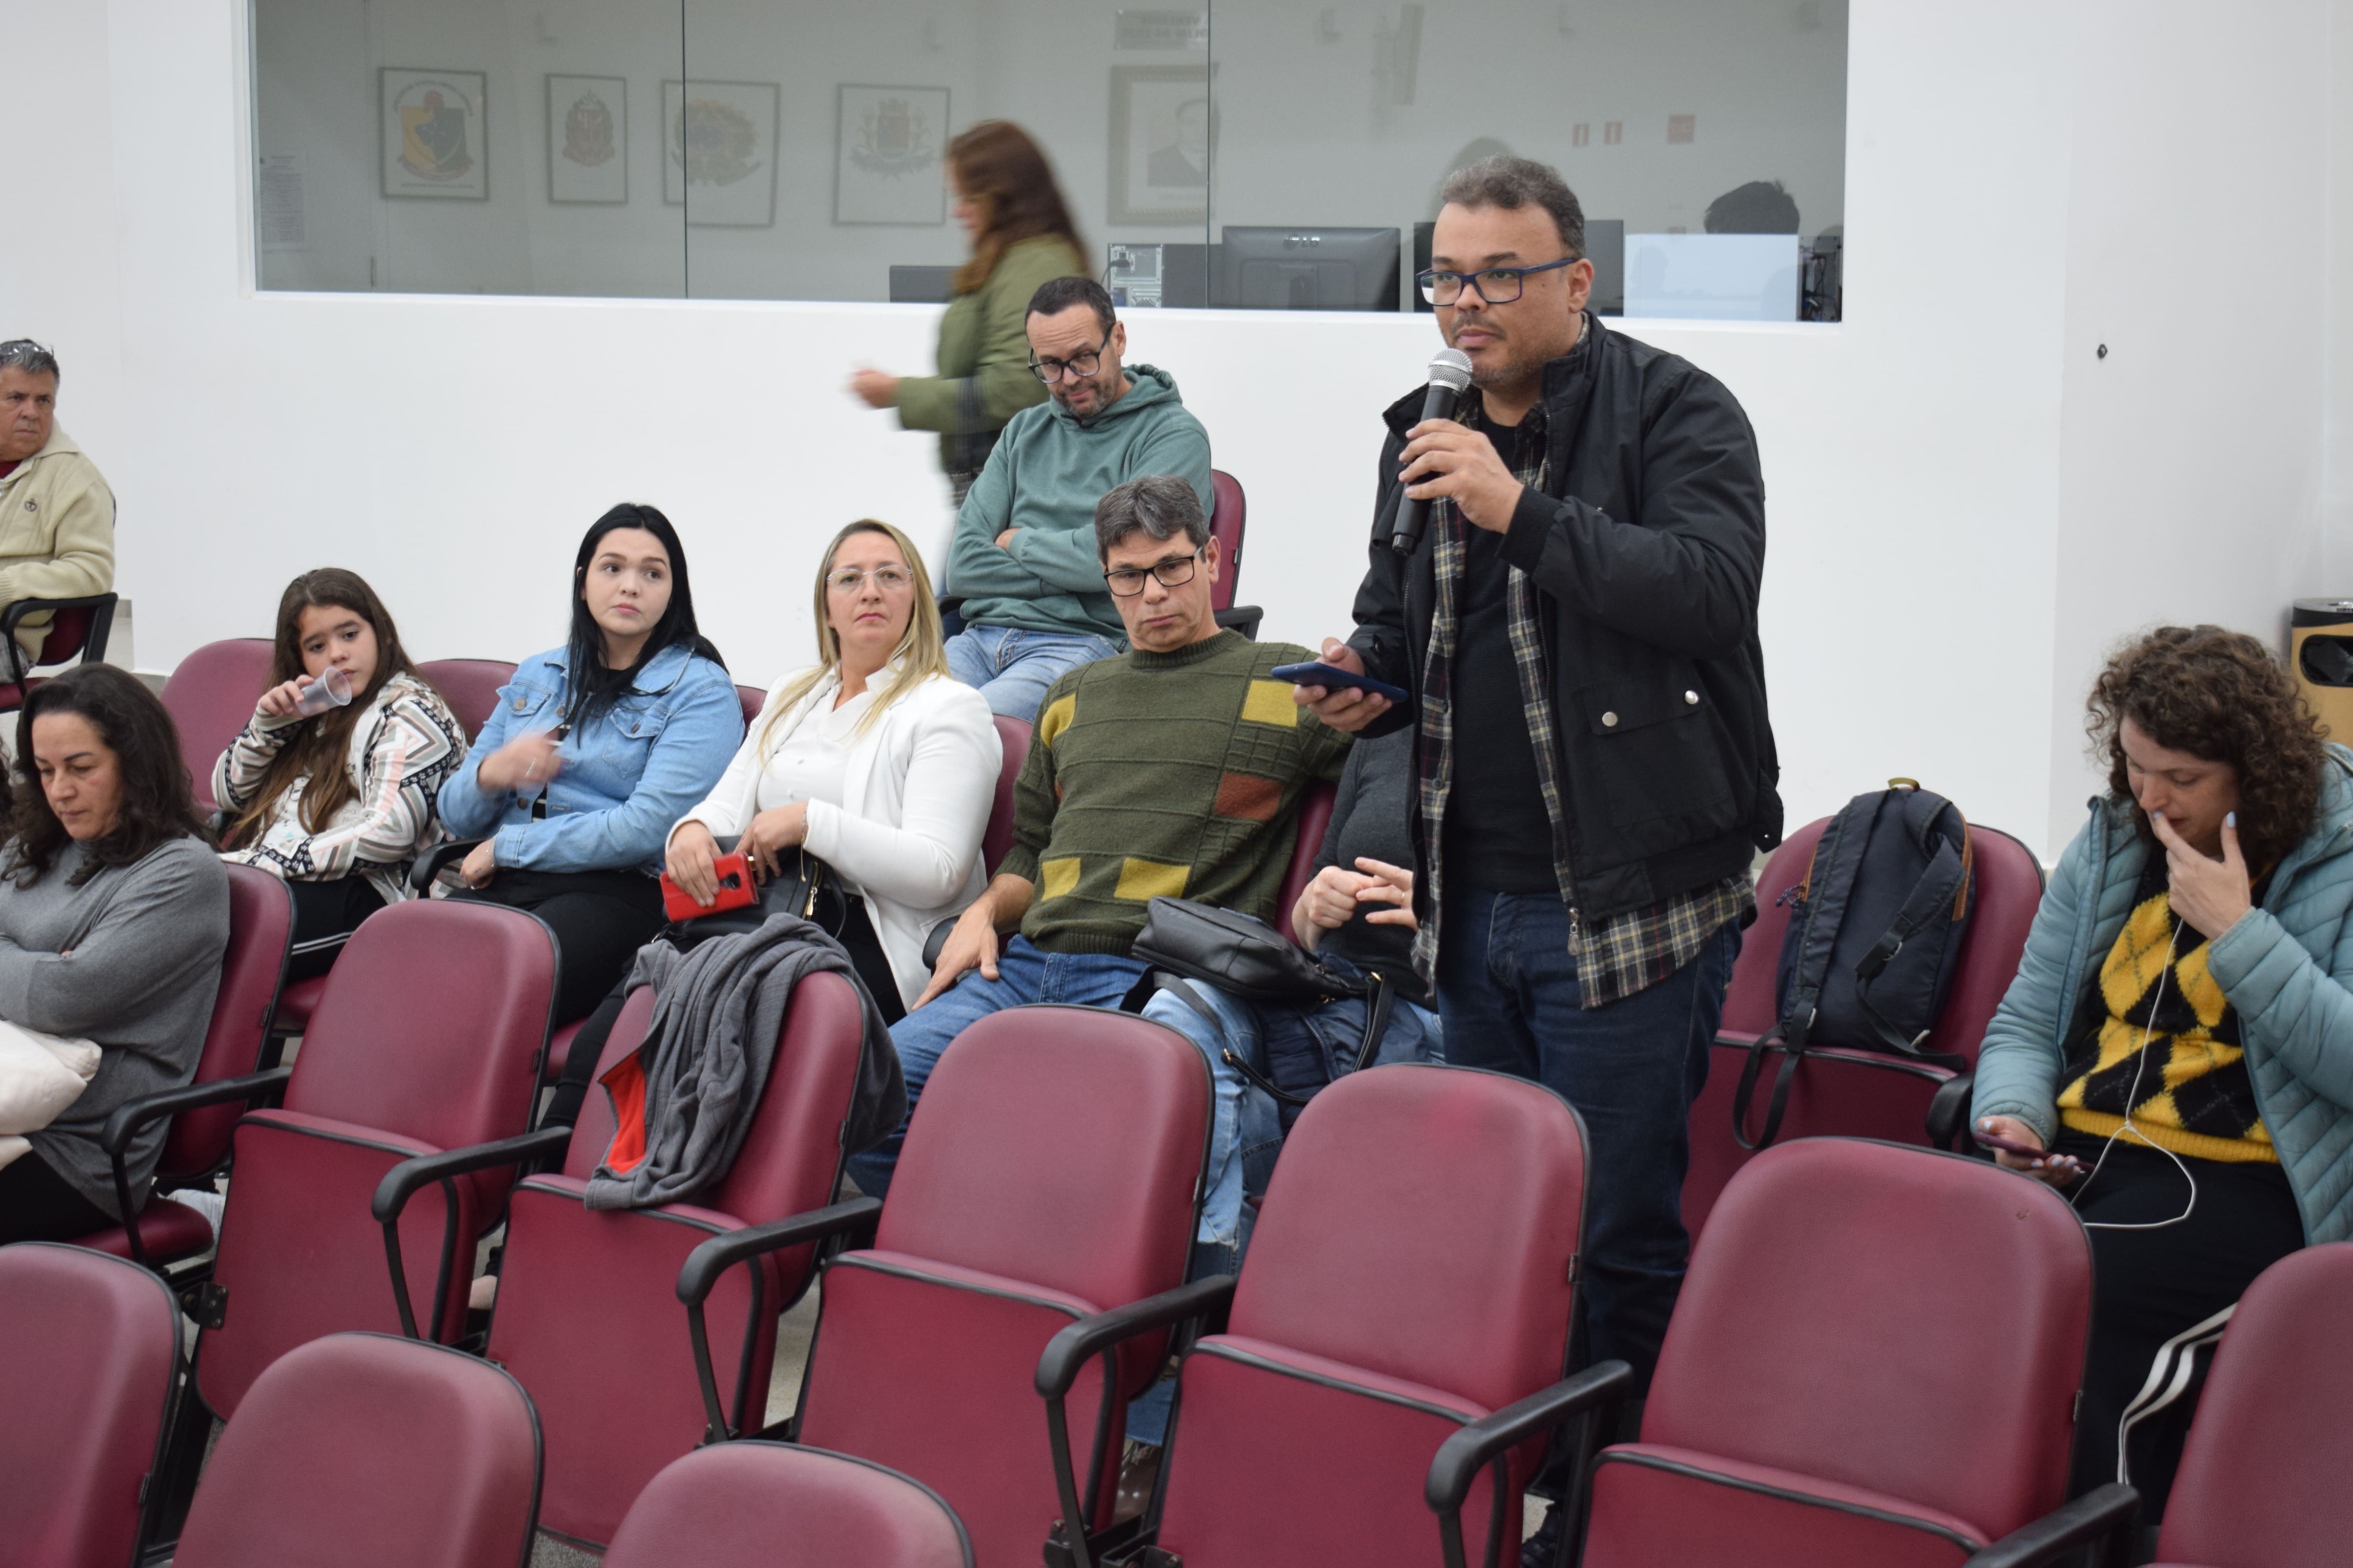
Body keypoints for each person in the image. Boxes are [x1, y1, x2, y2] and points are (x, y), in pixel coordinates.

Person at [1298, 156, 1778, 1417]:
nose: (1466, 303)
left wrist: (1523, 511)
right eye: (1446, 278)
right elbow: (1397, 627)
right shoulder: (1422, 432)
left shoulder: (1679, 412)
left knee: (1613, 1228)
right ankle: (1505, 1457)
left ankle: (1607, 1491)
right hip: (1470, 900)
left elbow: (1706, 590)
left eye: (1498, 276)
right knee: (1500, 1219)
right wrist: (1364, 682)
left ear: (1576, 280)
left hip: (1624, 901)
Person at [847, 474, 1348, 1272]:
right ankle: (993, 1251)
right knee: (864, 1092)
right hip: (1026, 966)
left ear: (1212, 558)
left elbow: (1401, 752)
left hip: (1157, 975)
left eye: (1173, 568)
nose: (1152, 593)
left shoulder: (1284, 682)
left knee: (1154, 1119)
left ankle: (1146, 1308)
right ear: (1105, 578)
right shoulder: (1071, 695)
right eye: (1128, 575)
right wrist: (985, 913)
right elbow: (1029, 849)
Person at [1973, 626, 2353, 1518]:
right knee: (1929, 1264)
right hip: (2085, 1155)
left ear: (2253, 775)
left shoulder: (2337, 851)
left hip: (2252, 1179)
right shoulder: (2116, 838)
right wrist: (2014, 1116)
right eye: (2137, 766)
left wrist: (2242, 933)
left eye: (2182, 779)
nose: (2152, 796)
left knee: (2081, 1306)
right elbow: (2027, 1020)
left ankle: (2086, 1539)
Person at [667, 521, 998, 1022]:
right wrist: (692, 830)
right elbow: (727, 801)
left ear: (916, 599)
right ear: (826, 608)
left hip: (874, 935)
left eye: (890, 576)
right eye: (849, 579)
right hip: (767, 912)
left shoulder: (950, 706)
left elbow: (939, 872)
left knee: (734, 1003)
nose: (870, 591)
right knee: (641, 988)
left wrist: (809, 823)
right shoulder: (794, 692)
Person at [435, 503, 741, 1024]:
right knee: (408, 966)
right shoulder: (538, 673)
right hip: (506, 880)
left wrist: (509, 846)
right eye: (612, 567)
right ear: (583, 582)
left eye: (652, 573)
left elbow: (646, 829)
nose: (630, 586)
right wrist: (492, 773)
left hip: (616, 892)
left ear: (673, 592)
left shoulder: (702, 690)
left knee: (483, 993)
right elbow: (457, 816)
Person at [0, 663, 228, 1244]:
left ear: (135, 762)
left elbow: (64, 996)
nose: (59, 791)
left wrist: (40, 972)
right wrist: (42, 965)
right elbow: (52, 984)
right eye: (45, 770)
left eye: (81, 768)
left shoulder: (181, 871)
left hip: (78, 1152)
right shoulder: (39, 847)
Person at [939, 276, 1214, 721]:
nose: (1069, 380)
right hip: (978, 638)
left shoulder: (1172, 436)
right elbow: (964, 566)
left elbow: (1125, 562)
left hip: (1085, 642)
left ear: (1118, 338)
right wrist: (1080, 573)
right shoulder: (1023, 432)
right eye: (1050, 365)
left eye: (1083, 358)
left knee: (961, 731)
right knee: (891, 726)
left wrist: (1019, 542)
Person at [215, 569, 469, 979]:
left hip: (374, 901)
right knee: (179, 926)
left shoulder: (411, 714)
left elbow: (387, 833)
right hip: (288, 883)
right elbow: (227, 794)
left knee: (203, 947)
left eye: (349, 634)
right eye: (317, 646)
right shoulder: (312, 711)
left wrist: (261, 863)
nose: (337, 654)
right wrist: (267, 729)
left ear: (382, 633)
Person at [849, 122, 1088, 507]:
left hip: (1018, 502)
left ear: (1004, 199)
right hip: (997, 493)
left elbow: (1015, 387)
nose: (959, 212)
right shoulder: (1010, 262)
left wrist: (899, 393)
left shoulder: (1034, 265)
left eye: (969, 198)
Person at [0, 340, 116, 668]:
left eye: (43, 400)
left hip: (9, 640)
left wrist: (8, 586)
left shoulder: (78, 480)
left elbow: (92, 571)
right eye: (16, 398)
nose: (31, 412)